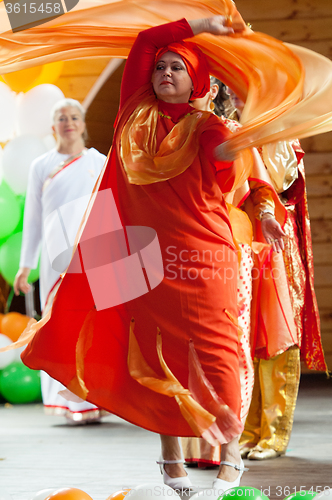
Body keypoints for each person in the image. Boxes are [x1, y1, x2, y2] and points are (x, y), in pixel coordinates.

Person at [19, 16, 251, 491]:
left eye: (178, 68)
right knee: (155, 359)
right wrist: (202, 24)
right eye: (161, 67)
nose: (166, 72)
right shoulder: (133, 112)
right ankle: (171, 462)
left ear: (195, 82)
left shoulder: (207, 127)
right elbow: (146, 40)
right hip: (144, 265)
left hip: (206, 261)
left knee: (219, 355)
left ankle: (231, 458)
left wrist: (242, 123)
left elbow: (229, 174)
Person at [225, 91, 327, 460]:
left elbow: (280, 182)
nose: (238, 95)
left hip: (271, 241)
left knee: (276, 333)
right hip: (239, 240)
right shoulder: (226, 128)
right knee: (246, 332)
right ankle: (250, 429)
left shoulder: (277, 128)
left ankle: (274, 432)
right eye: (233, 87)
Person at [14, 98, 107, 424]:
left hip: (93, 259)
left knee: (94, 329)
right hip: (55, 263)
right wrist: (26, 265)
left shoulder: (100, 162)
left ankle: (94, 397)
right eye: (62, 118)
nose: (68, 123)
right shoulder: (41, 165)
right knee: (58, 328)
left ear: (83, 124)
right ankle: (68, 402)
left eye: (74, 117)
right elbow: (33, 218)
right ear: (53, 126)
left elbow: (113, 212)